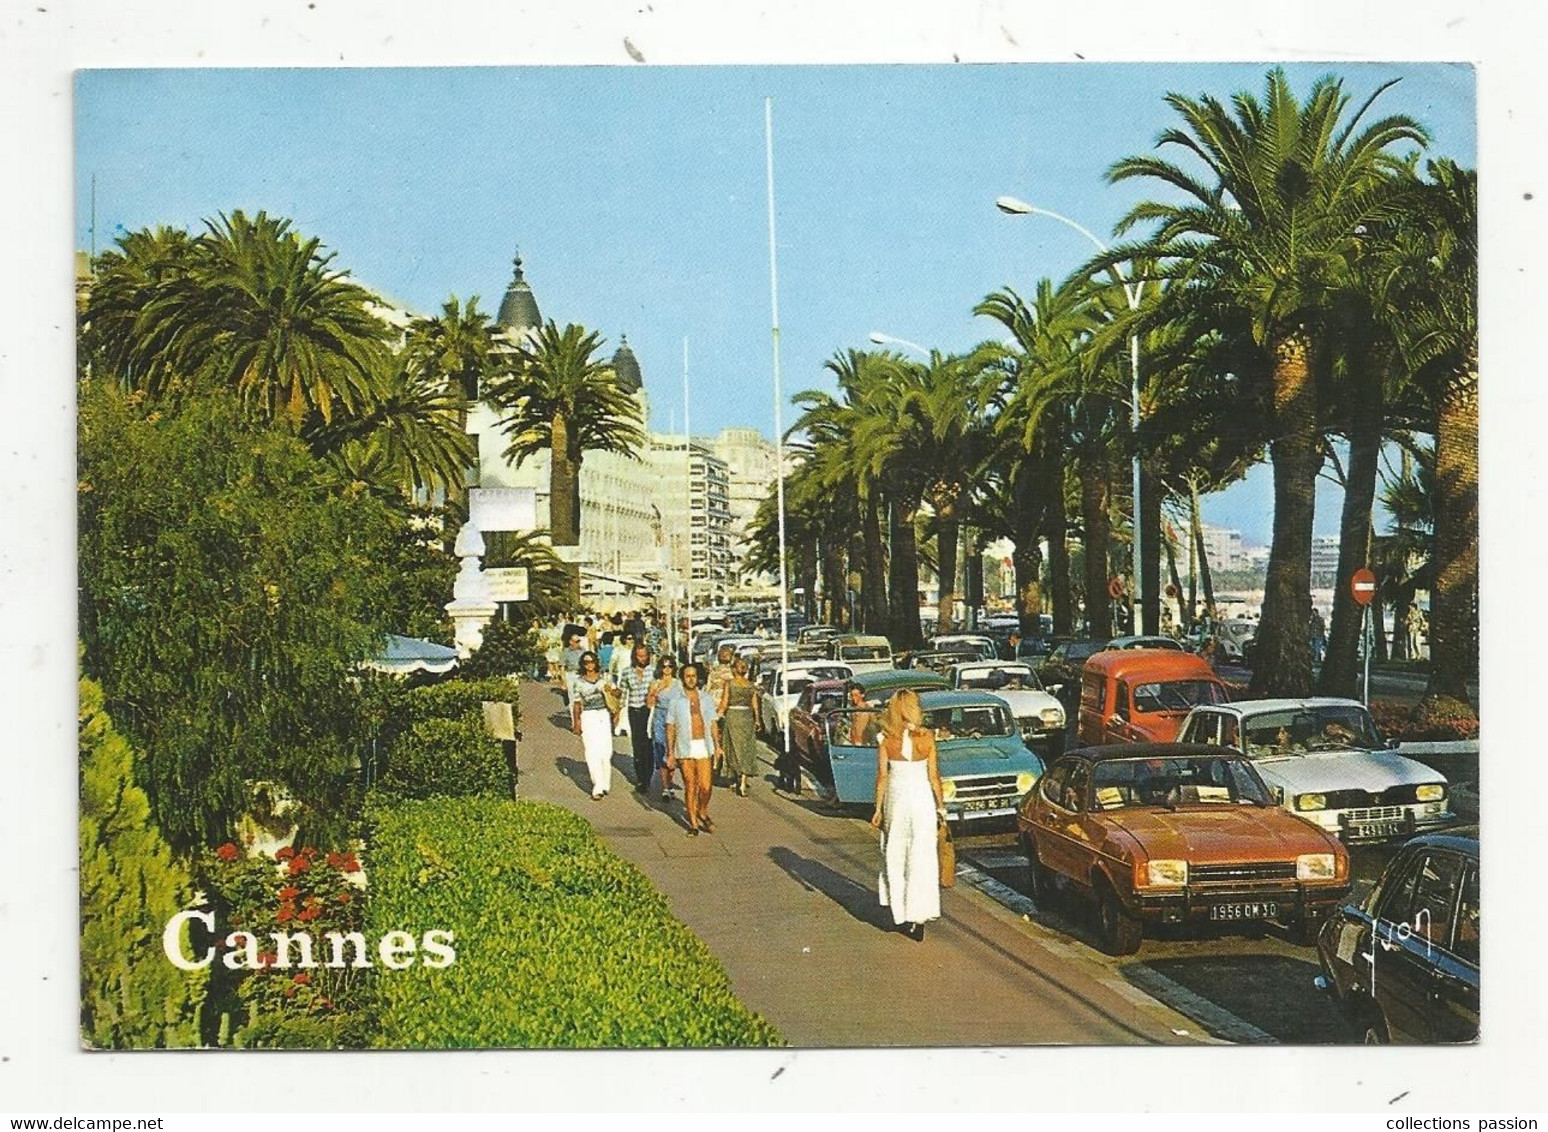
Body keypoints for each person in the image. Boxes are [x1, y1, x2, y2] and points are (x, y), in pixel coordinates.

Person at [869, 689, 945, 941]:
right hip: (922, 799)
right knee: (922, 857)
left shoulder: (886, 740)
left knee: (895, 854)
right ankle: (919, 914)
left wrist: (877, 808)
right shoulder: (927, 738)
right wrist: (940, 807)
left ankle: (900, 913)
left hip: (897, 798)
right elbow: (934, 777)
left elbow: (882, 777)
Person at [666, 662, 722, 836]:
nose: (691, 679)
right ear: (683, 678)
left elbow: (712, 722)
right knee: (691, 785)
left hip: (704, 745)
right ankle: (693, 824)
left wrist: (718, 745)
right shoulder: (675, 700)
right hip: (684, 746)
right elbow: (670, 726)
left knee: (705, 786)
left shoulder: (705, 698)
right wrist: (670, 753)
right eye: (687, 676)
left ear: (698, 678)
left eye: (694, 676)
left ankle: (702, 811)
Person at [569, 651, 617, 800]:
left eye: (591, 662)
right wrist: (577, 722)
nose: (589, 665)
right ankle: (597, 786)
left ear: (596, 662)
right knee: (591, 751)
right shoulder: (578, 681)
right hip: (588, 715)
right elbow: (577, 703)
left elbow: (617, 694)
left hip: (603, 714)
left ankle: (605, 783)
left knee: (606, 751)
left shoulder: (604, 679)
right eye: (586, 662)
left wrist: (613, 692)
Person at [718, 657, 762, 797]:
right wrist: (757, 720)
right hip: (747, 717)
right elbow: (755, 704)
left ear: (733, 669)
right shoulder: (750, 685)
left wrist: (716, 715)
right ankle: (743, 780)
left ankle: (735, 776)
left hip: (733, 716)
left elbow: (724, 702)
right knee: (746, 748)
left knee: (732, 747)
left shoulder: (729, 684)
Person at [618, 642, 655, 792]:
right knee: (637, 745)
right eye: (639, 655)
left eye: (645, 655)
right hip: (634, 710)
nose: (642, 658)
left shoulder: (653, 671)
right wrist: (618, 713)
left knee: (649, 744)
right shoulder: (627, 672)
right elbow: (623, 694)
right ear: (634, 656)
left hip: (650, 711)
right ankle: (641, 779)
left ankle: (648, 776)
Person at [648, 656, 682, 799]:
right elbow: (649, 704)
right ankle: (666, 787)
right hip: (660, 718)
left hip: (674, 720)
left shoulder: (679, 684)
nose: (667, 669)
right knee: (661, 749)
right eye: (664, 666)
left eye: (670, 666)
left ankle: (670, 780)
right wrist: (656, 691)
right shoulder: (655, 683)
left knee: (672, 751)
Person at [705, 645, 737, 784]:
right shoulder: (732, 672)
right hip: (725, 707)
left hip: (716, 706)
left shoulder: (714, 671)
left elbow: (707, 688)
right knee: (726, 738)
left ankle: (716, 765)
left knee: (715, 737)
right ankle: (720, 765)